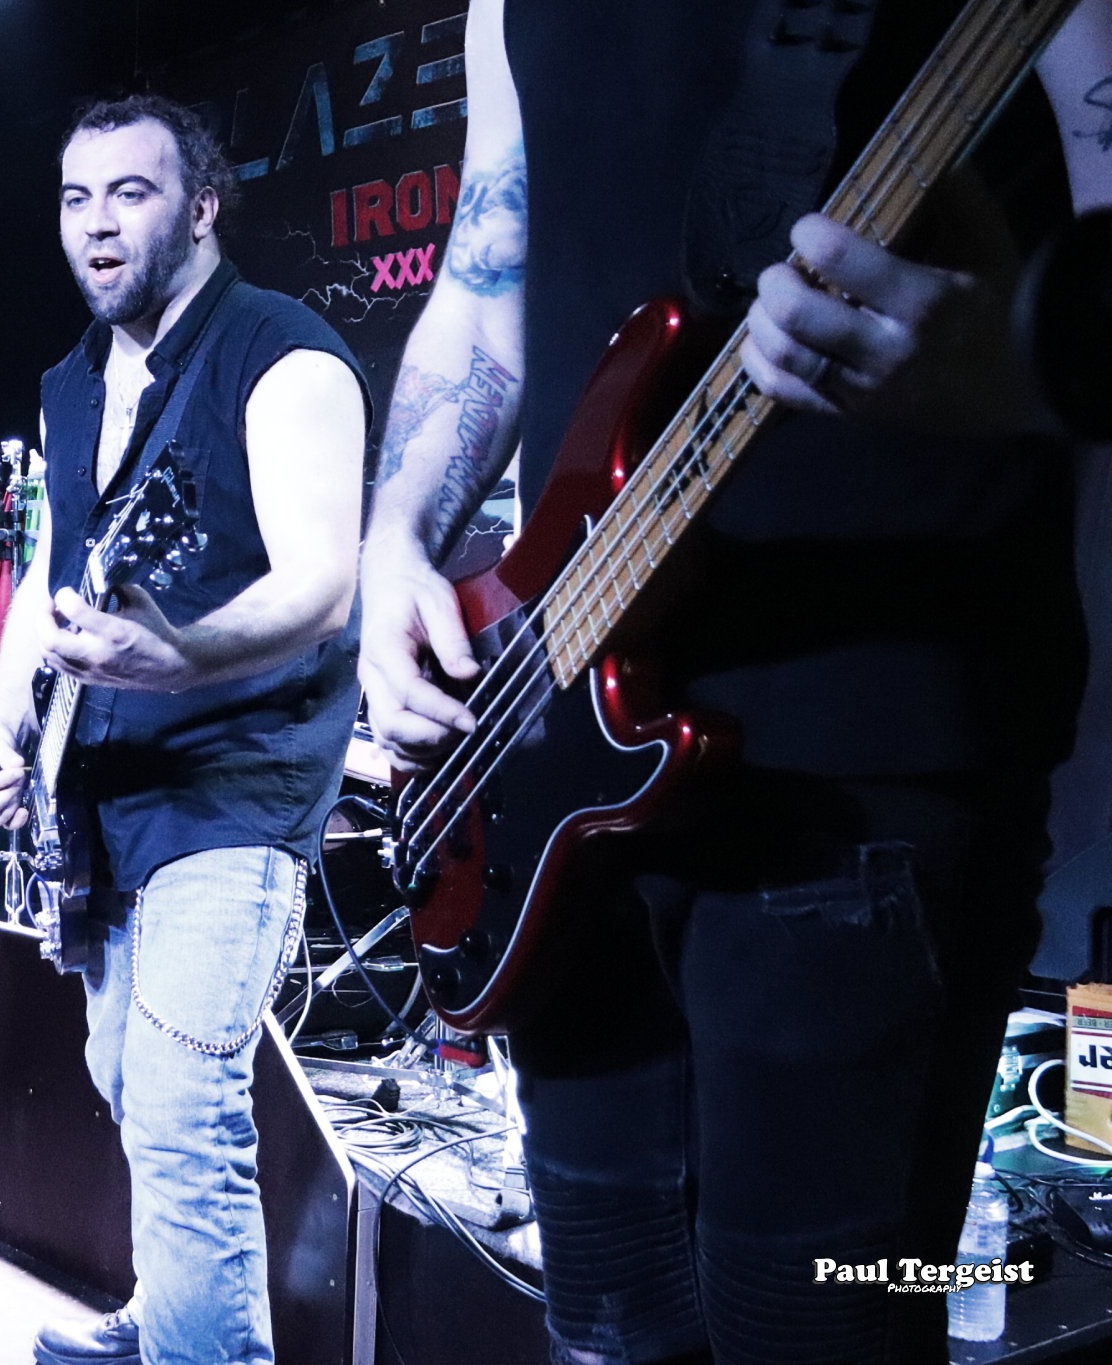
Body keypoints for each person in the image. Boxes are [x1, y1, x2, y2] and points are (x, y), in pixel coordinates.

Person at [359, 2, 1112, 1362]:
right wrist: (394, 541)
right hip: (559, 754)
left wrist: (1021, 353)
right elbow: (482, 282)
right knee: (605, 1328)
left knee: (830, 1328)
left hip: (858, 768)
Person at [0, 94, 368, 1365]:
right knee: (131, 1084)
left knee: (186, 1103)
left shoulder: (283, 354)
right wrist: (0, 724)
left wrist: (180, 655)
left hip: (234, 789)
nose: (95, 224)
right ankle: (170, 1311)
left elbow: (323, 584)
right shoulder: (73, 382)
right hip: (103, 788)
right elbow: (54, 576)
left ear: (200, 207)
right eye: (74, 198)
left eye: (128, 194)